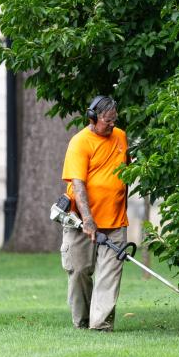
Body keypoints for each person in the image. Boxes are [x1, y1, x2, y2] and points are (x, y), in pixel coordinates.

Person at [60, 95, 129, 331]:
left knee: (109, 276)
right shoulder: (80, 142)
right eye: (108, 120)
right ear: (93, 117)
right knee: (79, 271)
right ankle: (82, 322)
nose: (112, 124)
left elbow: (125, 176)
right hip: (81, 221)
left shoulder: (120, 137)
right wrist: (88, 220)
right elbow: (78, 183)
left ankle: (100, 325)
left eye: (114, 119)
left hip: (115, 221)